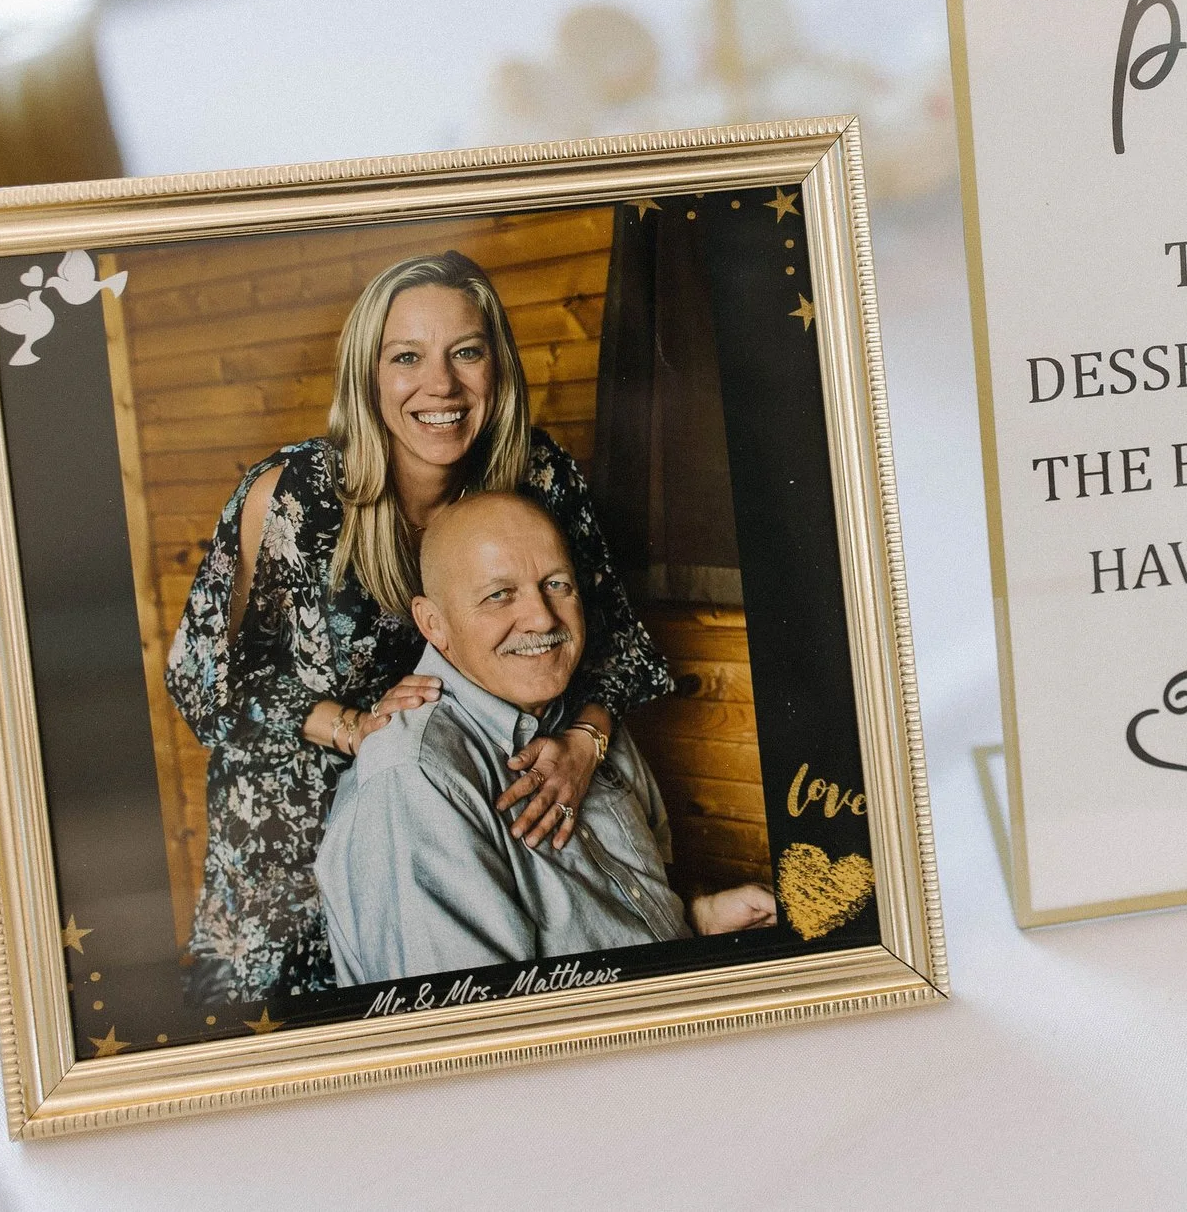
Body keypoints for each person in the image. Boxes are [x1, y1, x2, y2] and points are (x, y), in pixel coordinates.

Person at [166, 250, 672, 1003]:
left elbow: (611, 645)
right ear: (369, 376)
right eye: (408, 357)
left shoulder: (539, 478)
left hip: (457, 822)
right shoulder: (294, 497)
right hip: (289, 851)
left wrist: (583, 740)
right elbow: (201, 680)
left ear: (496, 365)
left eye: (465, 352)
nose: (442, 385)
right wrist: (348, 725)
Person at [317, 493, 777, 983]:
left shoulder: (589, 724)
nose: (543, 619)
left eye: (556, 585)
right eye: (500, 595)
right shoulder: (416, 777)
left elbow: (637, 893)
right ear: (434, 623)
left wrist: (696, 920)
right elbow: (477, 1035)